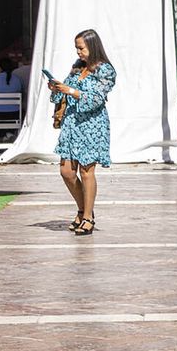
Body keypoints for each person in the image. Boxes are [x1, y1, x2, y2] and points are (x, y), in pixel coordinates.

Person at [48, 29, 117, 237]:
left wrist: (71, 91)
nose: (78, 52)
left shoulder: (105, 70)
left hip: (91, 125)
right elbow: (63, 95)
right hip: (71, 124)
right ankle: (83, 209)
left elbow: (96, 99)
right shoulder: (77, 68)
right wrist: (57, 88)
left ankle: (87, 216)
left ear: (92, 46)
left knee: (87, 171)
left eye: (81, 48)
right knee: (66, 171)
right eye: (76, 48)